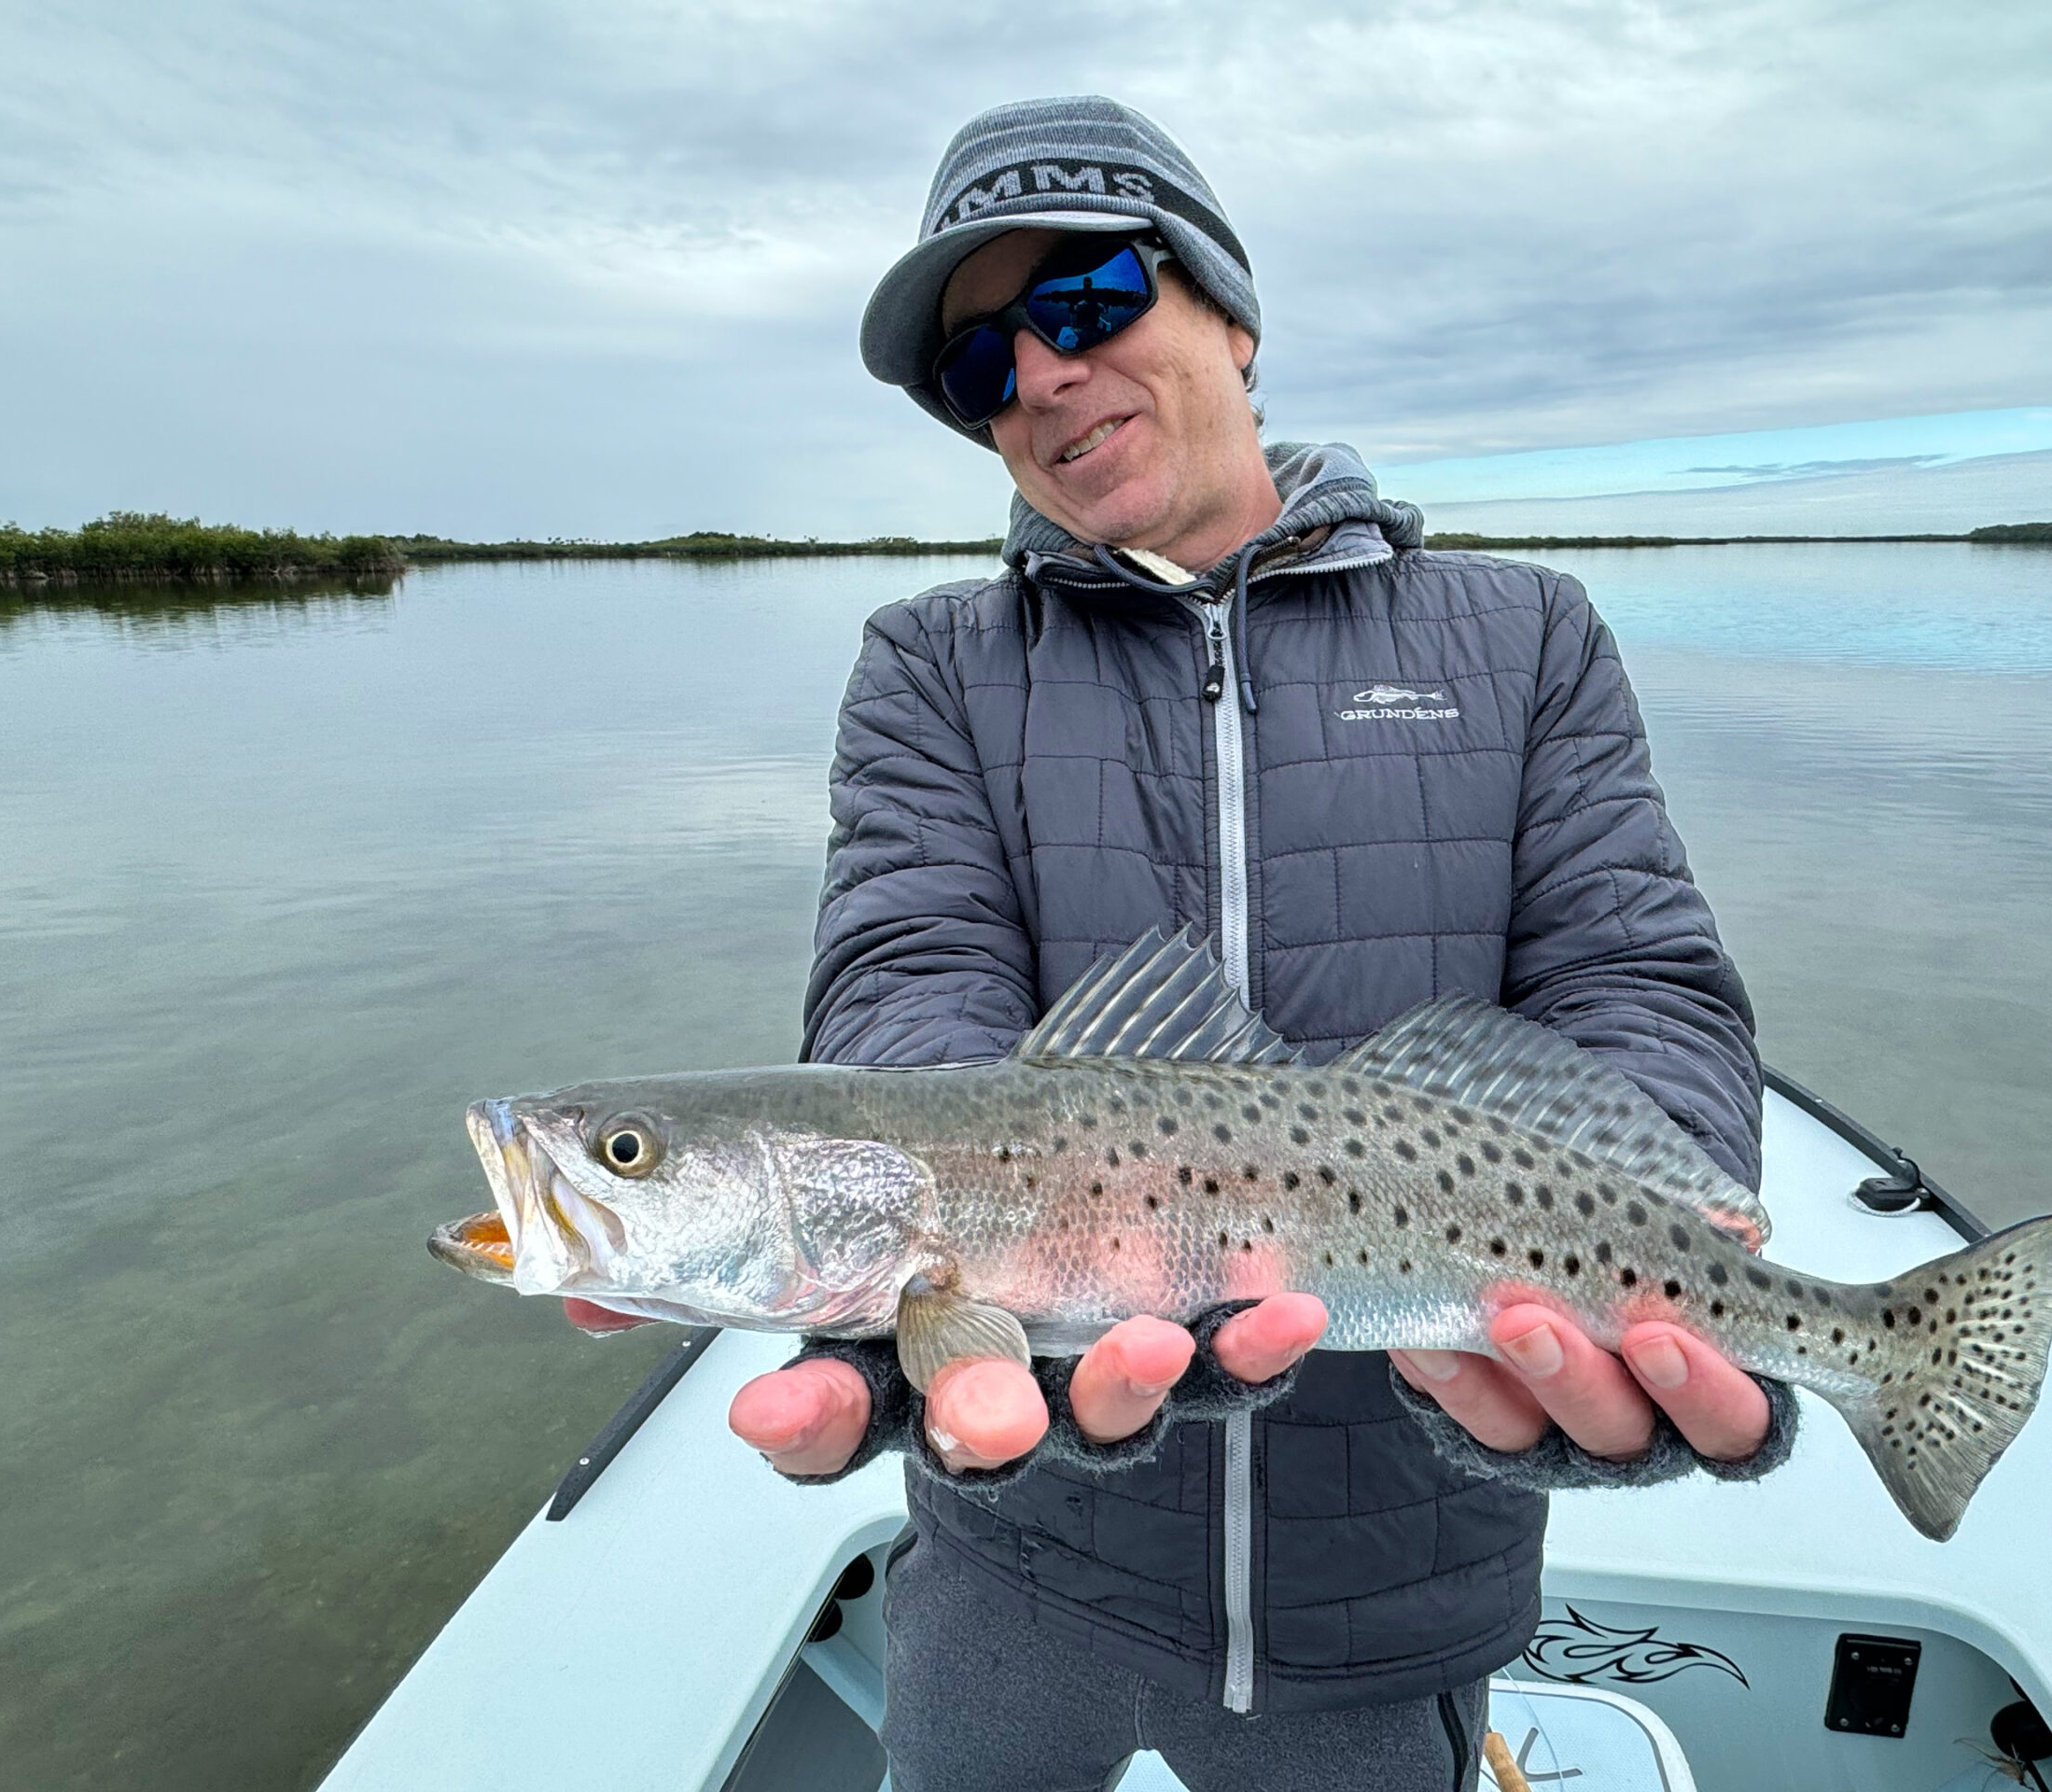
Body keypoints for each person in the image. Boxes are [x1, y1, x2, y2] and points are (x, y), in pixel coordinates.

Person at [578, 95, 1790, 1792]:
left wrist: (1673, 1254)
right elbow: (906, 980)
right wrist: (982, 1242)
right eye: (979, 365)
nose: (1044, 377)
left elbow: (1634, 982)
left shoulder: (1524, 635)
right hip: (1023, 1565)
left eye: (1082, 303)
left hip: (1402, 1577)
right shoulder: (930, 664)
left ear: (1228, 310)